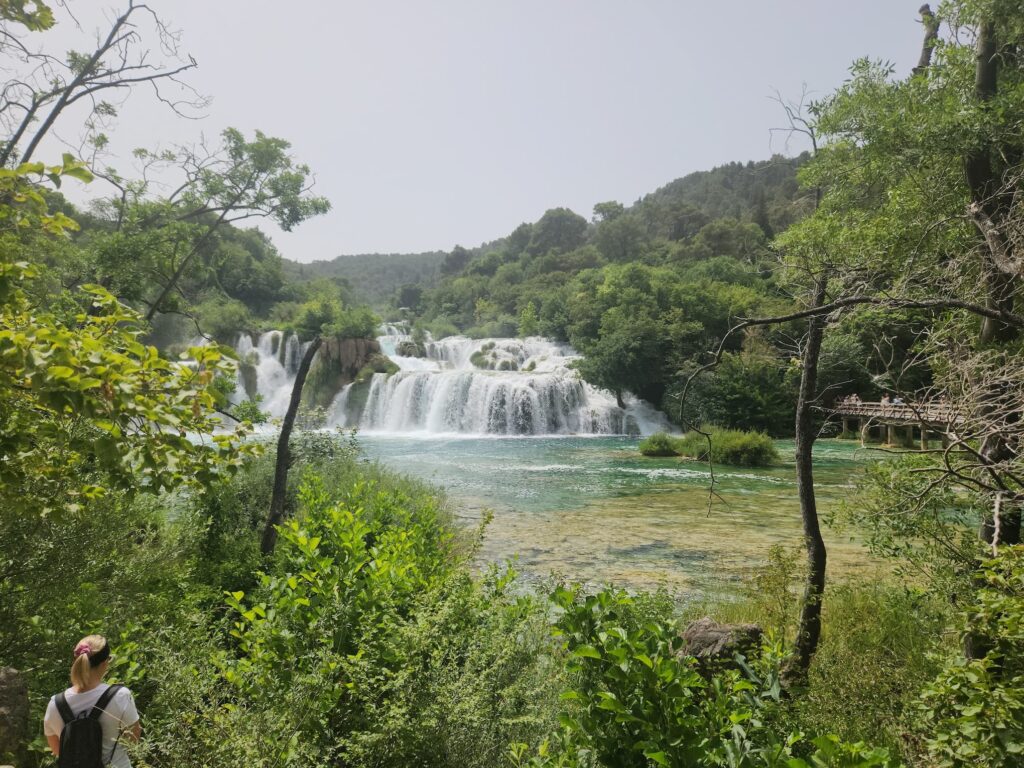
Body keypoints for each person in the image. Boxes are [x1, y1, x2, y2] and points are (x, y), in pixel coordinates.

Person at [43, 635, 141, 767]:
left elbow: (58, 749)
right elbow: (133, 740)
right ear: (105, 663)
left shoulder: (55, 703)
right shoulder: (120, 696)